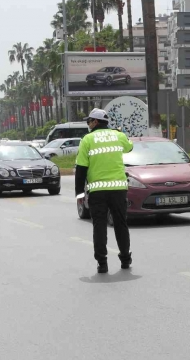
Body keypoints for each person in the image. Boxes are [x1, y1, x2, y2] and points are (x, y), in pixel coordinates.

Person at [75, 109, 134, 274]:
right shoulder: (118, 136)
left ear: (95, 122)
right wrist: (121, 133)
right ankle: (125, 259)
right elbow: (129, 147)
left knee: (99, 226)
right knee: (121, 224)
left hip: (97, 191)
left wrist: (79, 194)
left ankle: (102, 263)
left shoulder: (87, 139)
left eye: (89, 121)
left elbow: (81, 169)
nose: (88, 124)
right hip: (118, 189)